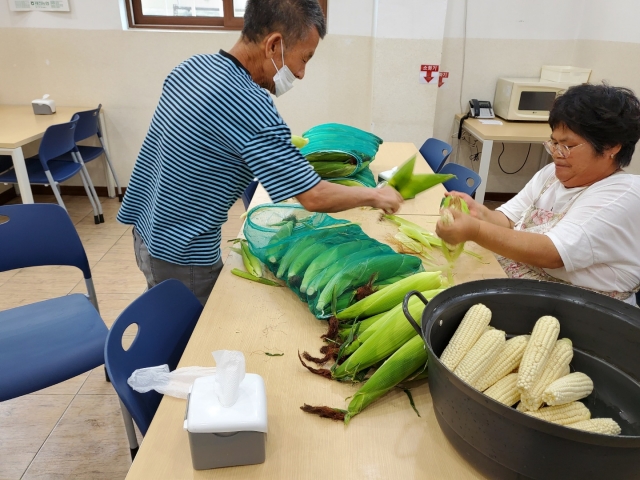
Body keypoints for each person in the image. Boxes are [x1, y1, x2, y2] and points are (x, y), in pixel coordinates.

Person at [117, 0, 403, 305]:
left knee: (162, 307)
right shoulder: (248, 103)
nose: (302, 73)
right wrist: (376, 196)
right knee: (188, 339)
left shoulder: (192, 67)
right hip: (183, 252)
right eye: (304, 59)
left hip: (146, 230)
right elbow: (314, 196)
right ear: (274, 45)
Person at [436, 83, 640, 305]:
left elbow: (551, 253)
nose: (556, 154)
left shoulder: (622, 194)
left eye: (567, 146)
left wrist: (475, 230)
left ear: (611, 147)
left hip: (581, 307)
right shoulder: (553, 175)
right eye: (553, 142)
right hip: (525, 282)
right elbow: (507, 220)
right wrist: (480, 213)